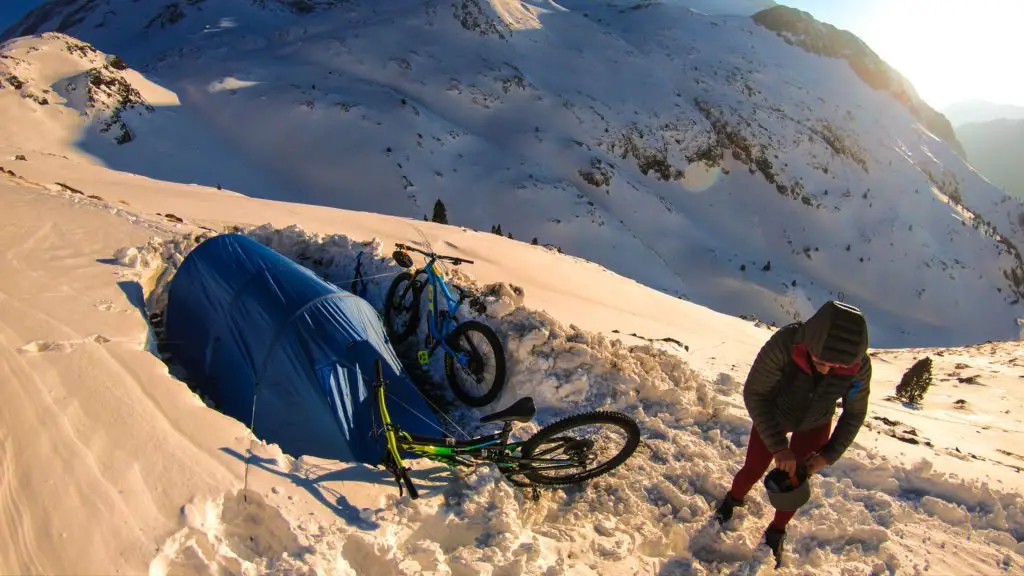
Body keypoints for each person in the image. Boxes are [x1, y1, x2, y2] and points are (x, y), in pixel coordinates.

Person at [713, 300, 872, 566]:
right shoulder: (786, 344)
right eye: (820, 361)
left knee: (795, 480)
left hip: (815, 423)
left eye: (835, 368)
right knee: (753, 468)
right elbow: (755, 393)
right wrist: (778, 446)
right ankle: (733, 499)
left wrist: (828, 454)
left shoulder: (858, 367)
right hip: (774, 415)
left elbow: (854, 412)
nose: (826, 370)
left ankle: (777, 530)